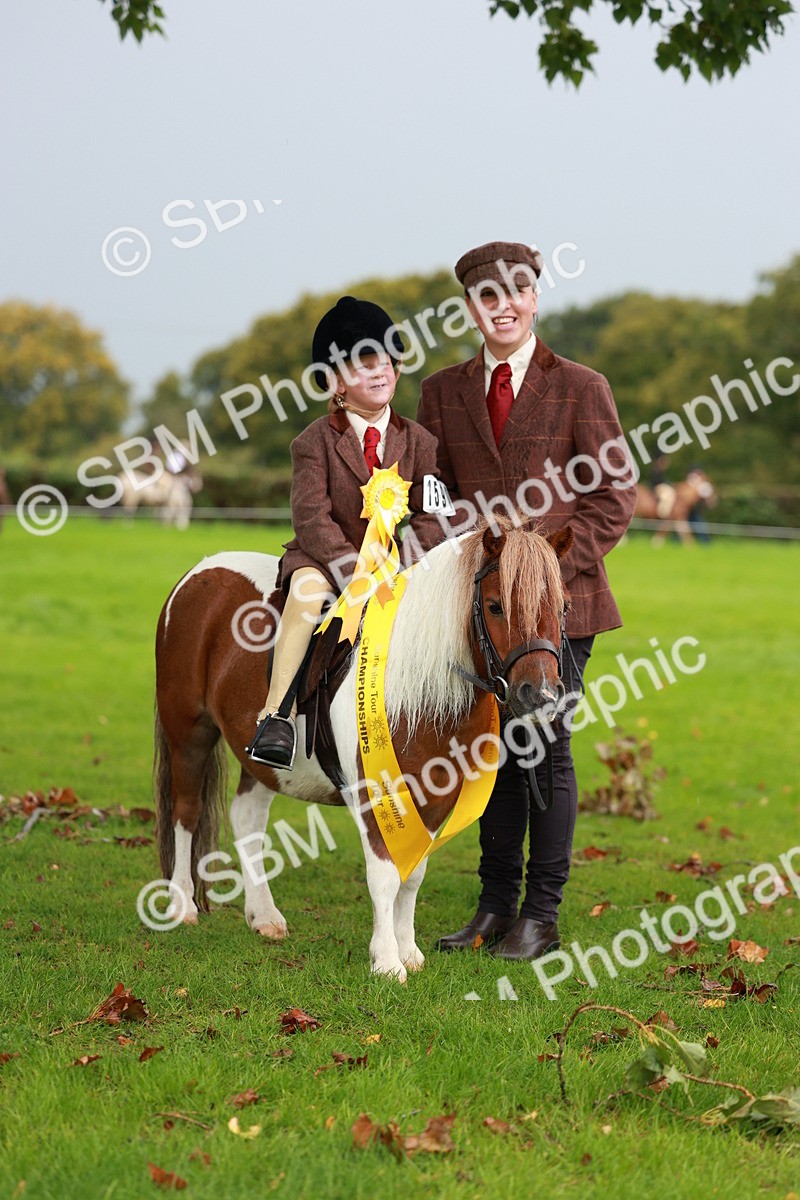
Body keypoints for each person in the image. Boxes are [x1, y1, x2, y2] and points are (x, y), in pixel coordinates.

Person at [417, 241, 635, 960]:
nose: (502, 305)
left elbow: (613, 495)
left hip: (560, 608)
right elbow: (435, 491)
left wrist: (545, 568)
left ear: (535, 297)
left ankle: (541, 916)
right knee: (496, 753)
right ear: (472, 308)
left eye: (515, 290)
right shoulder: (442, 391)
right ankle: (492, 909)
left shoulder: (582, 385)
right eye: (487, 296)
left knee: (546, 750)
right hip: (481, 611)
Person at [247, 296, 447, 770]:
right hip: (323, 562)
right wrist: (352, 572)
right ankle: (277, 715)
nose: (380, 372)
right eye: (363, 364)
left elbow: (435, 514)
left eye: (387, 361)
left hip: (398, 566)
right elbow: (311, 517)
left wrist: (398, 564)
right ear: (336, 382)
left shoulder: (421, 442)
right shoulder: (312, 443)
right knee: (306, 594)